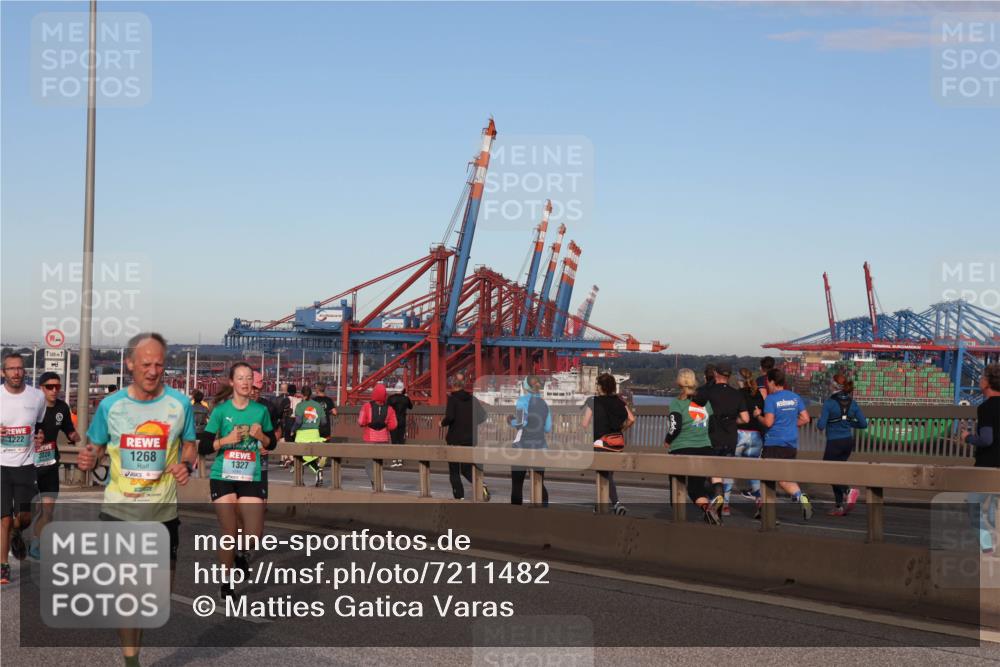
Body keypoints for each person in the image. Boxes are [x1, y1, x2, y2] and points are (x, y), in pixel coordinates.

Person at [78, 332, 197, 667]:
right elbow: (95, 445)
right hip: (120, 510)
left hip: (163, 511)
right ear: (130, 363)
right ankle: (132, 661)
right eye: (146, 363)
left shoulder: (180, 404)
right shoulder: (111, 406)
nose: (153, 370)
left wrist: (187, 464)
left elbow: (190, 445)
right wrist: (89, 457)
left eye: (159, 364)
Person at [200, 362, 273, 598]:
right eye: (240, 378)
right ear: (232, 382)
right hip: (223, 475)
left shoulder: (260, 411)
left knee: (253, 534)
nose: (245, 382)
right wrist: (226, 440)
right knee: (229, 531)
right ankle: (226, 582)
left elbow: (272, 442)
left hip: (250, 475)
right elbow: (204, 446)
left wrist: (261, 435)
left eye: (249, 378)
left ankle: (241, 554)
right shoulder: (221, 411)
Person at [1, 353, 46, 585]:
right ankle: (3, 566)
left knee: (25, 518)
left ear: (24, 371)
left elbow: (39, 425)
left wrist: (39, 436)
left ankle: (17, 531)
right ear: (3, 373)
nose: (16, 372)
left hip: (26, 465)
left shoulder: (37, 397)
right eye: (11, 369)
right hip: (1, 466)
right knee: (4, 518)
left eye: (20, 368)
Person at [28, 372, 81, 561]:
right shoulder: (32, 407)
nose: (54, 390)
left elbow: (68, 430)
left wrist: (75, 436)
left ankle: (36, 544)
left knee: (48, 511)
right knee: (26, 514)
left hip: (50, 464)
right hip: (29, 465)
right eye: (49, 387)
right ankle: (13, 532)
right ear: (41, 388)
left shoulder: (62, 407)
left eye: (57, 387)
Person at [664, 369, 720, 525]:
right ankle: (708, 509)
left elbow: (675, 426)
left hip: (681, 448)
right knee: (696, 489)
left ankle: (678, 520)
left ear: (679, 382)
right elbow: (713, 426)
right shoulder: (705, 403)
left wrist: (668, 440)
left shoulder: (677, 402)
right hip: (704, 448)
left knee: (677, 485)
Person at [756, 368, 813, 521]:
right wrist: (792, 426)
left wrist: (757, 416)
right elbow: (806, 419)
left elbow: (768, 422)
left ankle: (767, 514)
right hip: (791, 443)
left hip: (774, 443)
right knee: (785, 478)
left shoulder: (771, 399)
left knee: (766, 478)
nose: (767, 384)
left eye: (768, 381)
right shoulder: (795, 397)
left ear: (773, 382)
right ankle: (801, 497)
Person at [694, 363, 749, 517]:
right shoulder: (737, 394)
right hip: (730, 437)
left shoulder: (707, 393)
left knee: (710, 470)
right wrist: (732, 422)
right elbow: (745, 418)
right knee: (726, 471)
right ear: (729, 376)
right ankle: (724, 504)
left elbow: (695, 413)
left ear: (716, 374)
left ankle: (716, 497)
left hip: (711, 436)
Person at [581, 373, 635, 515]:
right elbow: (631, 419)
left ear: (600, 386)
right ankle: (602, 505)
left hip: (601, 443)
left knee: (603, 476)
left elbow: (584, 424)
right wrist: (622, 429)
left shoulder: (593, 401)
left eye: (597, 384)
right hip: (617, 443)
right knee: (608, 475)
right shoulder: (620, 401)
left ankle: (615, 504)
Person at [816, 373, 868, 516]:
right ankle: (839, 506)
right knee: (836, 472)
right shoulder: (853, 403)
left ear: (834, 386)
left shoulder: (829, 403)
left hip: (834, 442)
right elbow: (863, 424)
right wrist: (847, 422)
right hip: (847, 442)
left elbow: (821, 426)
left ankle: (848, 491)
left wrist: (819, 420)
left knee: (828, 470)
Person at [961, 364, 999, 554]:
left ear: (987, 383)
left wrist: (967, 437)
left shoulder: (986, 408)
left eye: (982, 376)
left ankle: (987, 547)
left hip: (988, 466)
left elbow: (986, 439)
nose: (979, 379)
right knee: (994, 509)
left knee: (973, 507)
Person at [441, 375, 489, 501]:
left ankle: (459, 498)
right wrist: (472, 423)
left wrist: (442, 423)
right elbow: (483, 416)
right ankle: (481, 484)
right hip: (470, 439)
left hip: (455, 440)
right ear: (464, 384)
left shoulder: (452, 399)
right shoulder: (472, 399)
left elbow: (450, 417)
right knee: (467, 468)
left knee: (454, 470)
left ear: (453, 384)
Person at [509, 376, 551, 506]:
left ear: (525, 387)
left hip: (521, 447)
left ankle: (516, 515)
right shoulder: (545, 404)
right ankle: (543, 511)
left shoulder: (522, 401)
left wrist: (510, 420)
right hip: (540, 447)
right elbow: (548, 428)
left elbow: (522, 423)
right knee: (539, 482)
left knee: (517, 484)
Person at [358, 383, 398, 488]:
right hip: (384, 438)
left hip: (370, 437)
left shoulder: (366, 406)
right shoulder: (390, 409)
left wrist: (367, 423)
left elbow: (361, 422)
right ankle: (379, 482)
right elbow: (393, 425)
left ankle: (375, 482)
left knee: (368, 464)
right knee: (379, 463)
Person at [735, 368, 766, 501]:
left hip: (740, 433)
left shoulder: (738, 394)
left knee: (728, 468)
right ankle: (760, 502)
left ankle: (724, 505)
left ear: (739, 380)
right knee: (754, 471)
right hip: (756, 435)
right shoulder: (758, 394)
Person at [294, 386, 328, 486]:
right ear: (311, 394)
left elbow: (298, 422)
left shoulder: (300, 406)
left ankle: (301, 480)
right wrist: (314, 423)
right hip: (315, 433)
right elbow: (324, 422)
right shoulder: (318, 405)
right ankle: (318, 470)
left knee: (301, 458)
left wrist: (292, 430)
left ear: (301, 394)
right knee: (311, 456)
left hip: (302, 435)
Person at [387, 384, 414, 468]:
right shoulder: (405, 399)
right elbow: (411, 407)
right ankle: (400, 460)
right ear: (403, 389)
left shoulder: (391, 399)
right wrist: (406, 397)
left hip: (393, 421)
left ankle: (394, 460)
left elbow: (386, 408)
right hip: (402, 421)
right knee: (401, 441)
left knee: (394, 441)